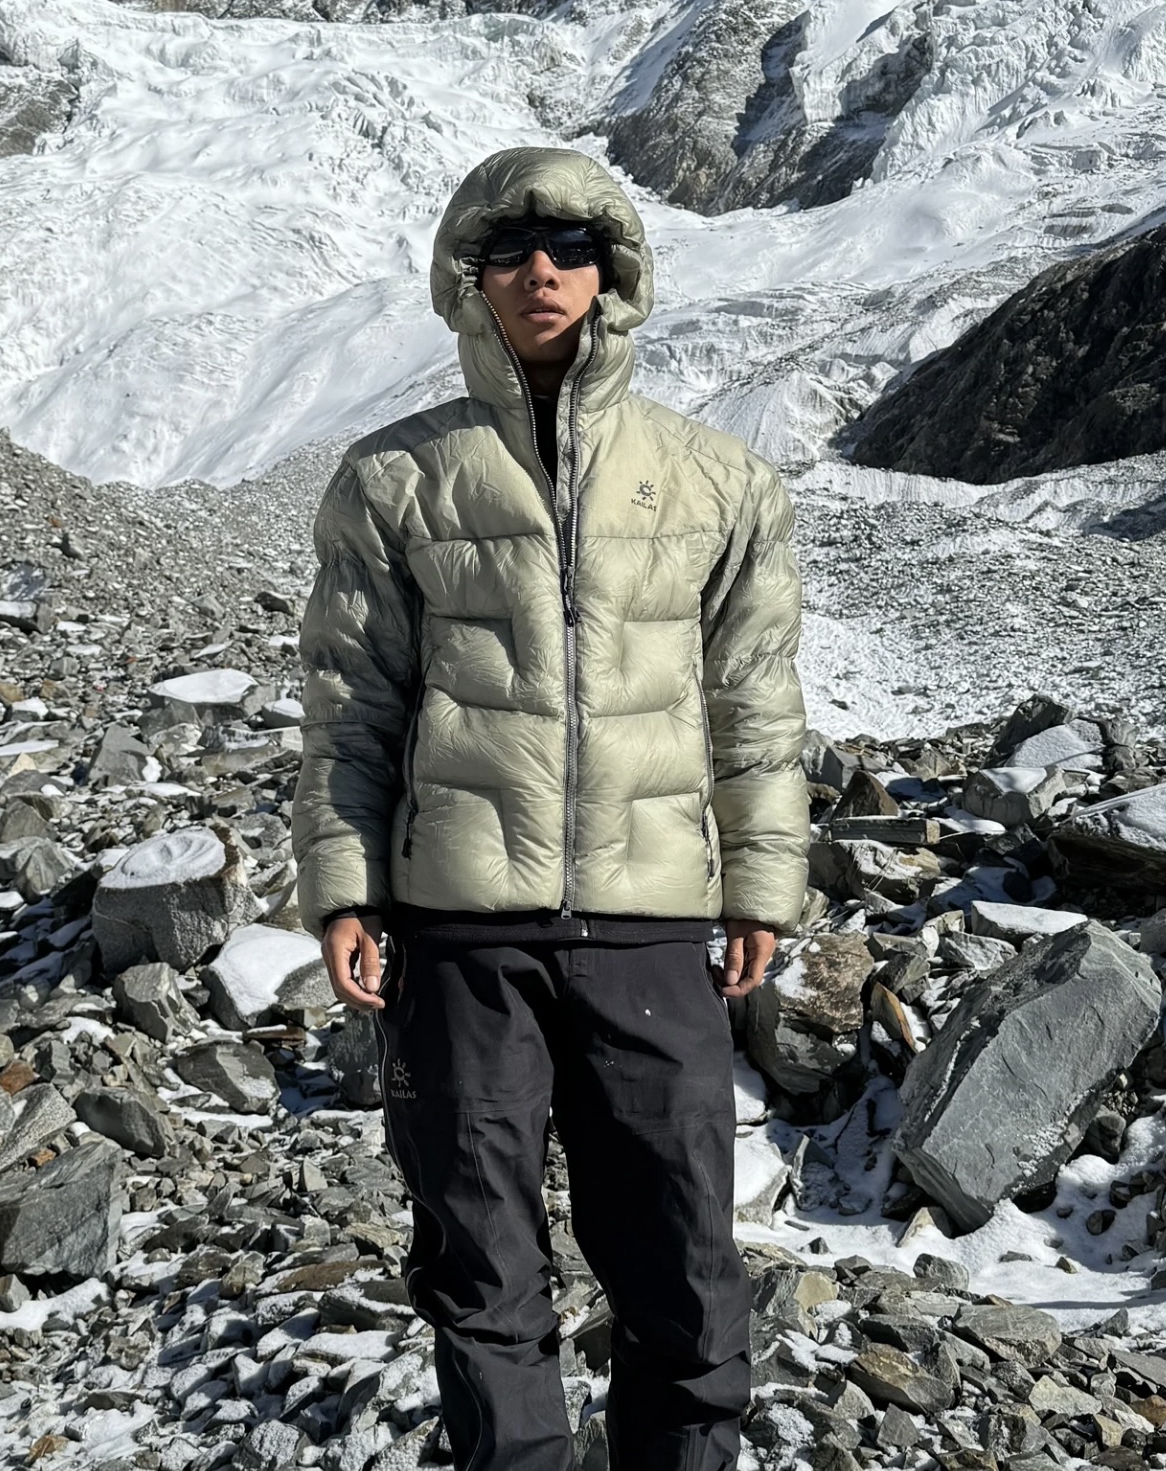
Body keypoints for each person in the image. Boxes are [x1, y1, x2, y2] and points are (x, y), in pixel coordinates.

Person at [291, 146, 810, 1471]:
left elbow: (752, 699)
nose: (541, 270)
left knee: (685, 1267)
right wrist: (344, 887)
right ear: (466, 275)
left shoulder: (718, 481)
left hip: (651, 926)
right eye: (510, 249)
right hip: (460, 929)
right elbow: (353, 702)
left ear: (613, 270)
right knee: (481, 1270)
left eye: (572, 246)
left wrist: (761, 882)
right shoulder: (393, 479)